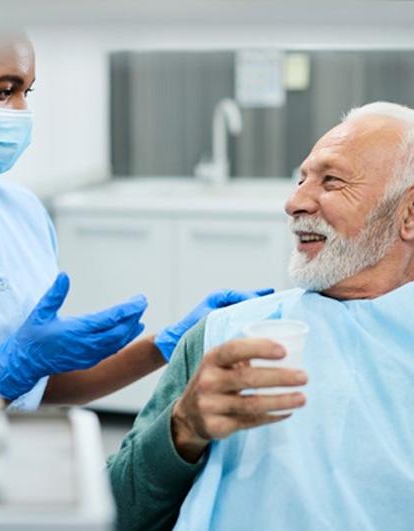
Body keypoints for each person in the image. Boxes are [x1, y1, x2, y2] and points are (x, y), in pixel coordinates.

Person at [0, 32, 271, 408]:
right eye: (3, 92)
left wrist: (168, 344)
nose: (21, 112)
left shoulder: (22, 211)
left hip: (25, 451)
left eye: (26, 93)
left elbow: (44, 387)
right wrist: (9, 372)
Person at [107, 101, 414, 531]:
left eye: (331, 180)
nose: (295, 202)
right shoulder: (225, 342)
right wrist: (181, 429)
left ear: (409, 215)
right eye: (301, 178)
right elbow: (114, 512)